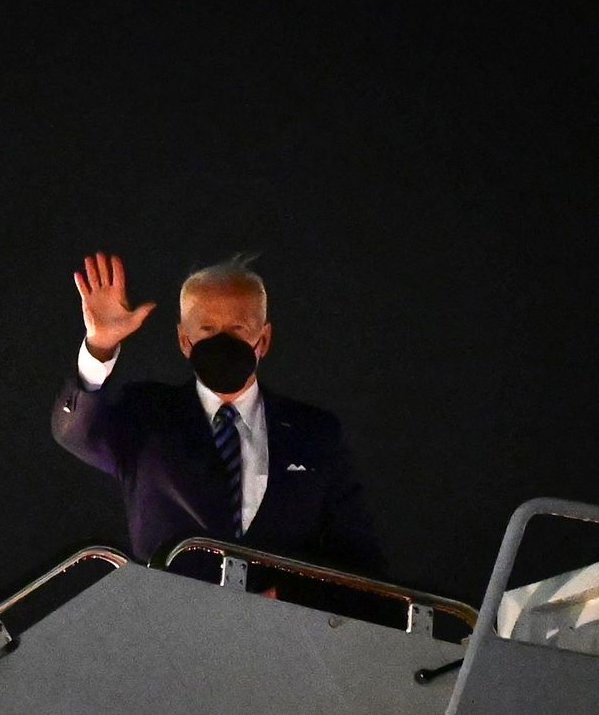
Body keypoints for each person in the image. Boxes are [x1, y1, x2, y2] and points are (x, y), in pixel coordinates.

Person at [51, 250, 385, 592]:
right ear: (184, 340)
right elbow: (77, 433)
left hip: (287, 636)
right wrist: (100, 347)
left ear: (264, 339)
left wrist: (292, 597)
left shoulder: (315, 432)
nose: (222, 342)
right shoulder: (147, 414)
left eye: (238, 329)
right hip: (171, 628)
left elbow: (358, 559)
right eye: (207, 329)